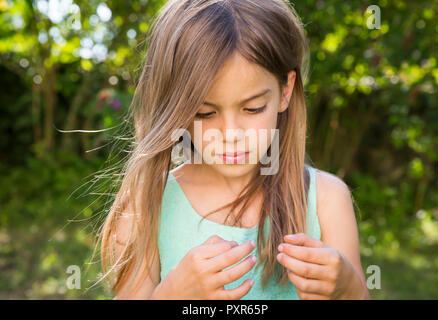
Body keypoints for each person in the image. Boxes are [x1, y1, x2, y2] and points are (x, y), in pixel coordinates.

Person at [99, 0, 370, 300]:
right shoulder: (148, 203)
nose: (231, 134)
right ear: (176, 108)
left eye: (253, 108)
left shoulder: (326, 201)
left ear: (285, 91)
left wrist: (348, 289)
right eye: (205, 113)